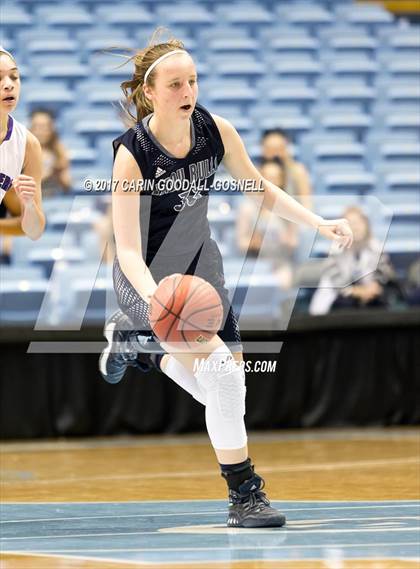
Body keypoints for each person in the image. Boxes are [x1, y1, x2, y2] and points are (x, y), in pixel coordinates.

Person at [99, 34, 353, 528]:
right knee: (221, 375)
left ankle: (145, 348)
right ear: (150, 93)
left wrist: (318, 223)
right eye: (175, 84)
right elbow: (127, 248)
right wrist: (159, 302)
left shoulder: (215, 130)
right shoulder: (133, 152)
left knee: (228, 382)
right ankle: (244, 496)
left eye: (192, 80)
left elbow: (259, 188)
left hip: (201, 271)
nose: (188, 90)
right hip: (145, 278)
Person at [309, 206, 396, 315]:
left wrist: (375, 286)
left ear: (366, 225)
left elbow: (384, 273)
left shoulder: (376, 246)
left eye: (359, 222)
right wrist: (357, 292)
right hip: (338, 300)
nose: (355, 227)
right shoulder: (334, 249)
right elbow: (335, 281)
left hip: (370, 296)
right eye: (350, 224)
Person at [0, 47, 45, 240]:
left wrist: (28, 205)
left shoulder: (28, 144)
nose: (8, 85)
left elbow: (34, 231)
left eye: (14, 77)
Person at [236, 157, 294, 288]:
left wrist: (284, 240)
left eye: (276, 178)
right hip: (254, 263)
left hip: (279, 263)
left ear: (282, 180)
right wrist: (253, 243)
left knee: (284, 283)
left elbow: (293, 242)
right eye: (267, 177)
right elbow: (241, 243)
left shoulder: (290, 208)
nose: (271, 182)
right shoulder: (247, 208)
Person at [261, 128, 313, 210]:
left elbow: (307, 203)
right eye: (271, 149)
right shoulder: (258, 172)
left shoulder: (297, 172)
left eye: (279, 149)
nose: (275, 155)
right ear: (264, 150)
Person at [29, 108, 71, 197]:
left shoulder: (59, 151)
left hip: (54, 199)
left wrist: (61, 172)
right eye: (37, 127)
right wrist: (50, 171)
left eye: (45, 127)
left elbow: (67, 185)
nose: (41, 131)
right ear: (30, 129)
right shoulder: (21, 152)